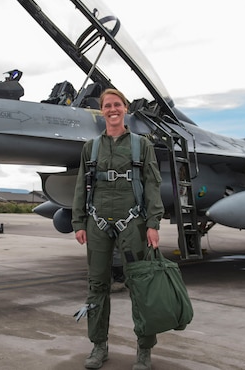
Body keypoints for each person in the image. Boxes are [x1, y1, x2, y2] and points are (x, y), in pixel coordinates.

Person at [72, 88, 164, 370]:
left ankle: (144, 351)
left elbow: (152, 184)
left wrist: (153, 223)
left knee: (140, 286)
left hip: (133, 222)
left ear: (125, 108)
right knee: (97, 285)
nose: (112, 109)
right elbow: (81, 184)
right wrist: (79, 221)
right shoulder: (91, 147)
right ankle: (99, 346)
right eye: (107, 106)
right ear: (102, 111)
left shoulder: (141, 145)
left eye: (117, 105)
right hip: (97, 221)